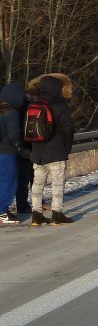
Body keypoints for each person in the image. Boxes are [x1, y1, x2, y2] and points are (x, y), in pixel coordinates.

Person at [28, 73, 75, 226]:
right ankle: (57, 214)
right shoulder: (60, 105)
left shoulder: (34, 105)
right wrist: (66, 148)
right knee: (57, 184)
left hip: (38, 153)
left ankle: (36, 215)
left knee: (37, 184)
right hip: (56, 152)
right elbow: (68, 129)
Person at [0, 83, 24, 223]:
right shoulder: (11, 112)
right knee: (8, 181)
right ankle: (2, 212)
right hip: (6, 152)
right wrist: (21, 148)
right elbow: (14, 134)